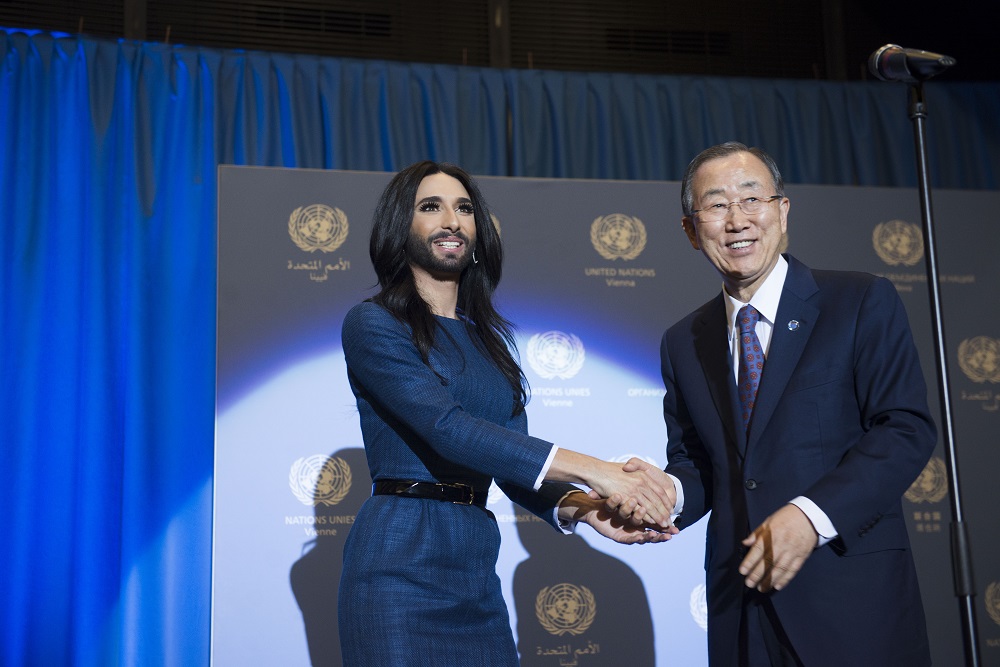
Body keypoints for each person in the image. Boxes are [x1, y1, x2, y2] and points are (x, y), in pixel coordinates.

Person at [337, 160, 675, 666]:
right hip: (396, 568)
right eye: (430, 207)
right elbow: (448, 429)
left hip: (475, 573)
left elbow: (513, 467)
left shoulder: (489, 343)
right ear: (399, 227)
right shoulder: (373, 323)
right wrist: (597, 471)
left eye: (464, 209)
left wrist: (588, 510)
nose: (452, 221)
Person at [623, 142, 936, 665]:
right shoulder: (683, 341)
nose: (737, 220)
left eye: (752, 199)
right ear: (691, 230)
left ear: (782, 211)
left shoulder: (859, 301)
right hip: (742, 610)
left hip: (851, 601)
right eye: (716, 205)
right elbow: (699, 463)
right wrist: (663, 496)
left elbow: (904, 430)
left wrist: (810, 516)